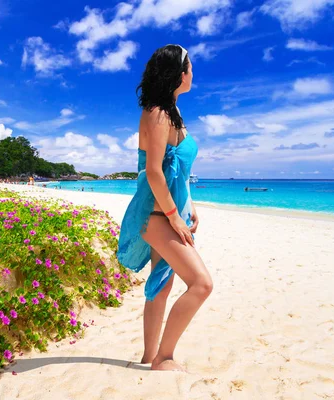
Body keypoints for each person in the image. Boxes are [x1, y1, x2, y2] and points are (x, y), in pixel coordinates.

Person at [117, 44, 213, 372]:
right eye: (189, 66)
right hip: (158, 216)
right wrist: (175, 217)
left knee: (162, 284)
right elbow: (155, 171)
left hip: (172, 212)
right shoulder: (158, 112)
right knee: (201, 284)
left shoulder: (173, 112)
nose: (192, 72)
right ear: (177, 72)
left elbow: (178, 173)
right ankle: (164, 358)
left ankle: (148, 356)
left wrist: (191, 206)